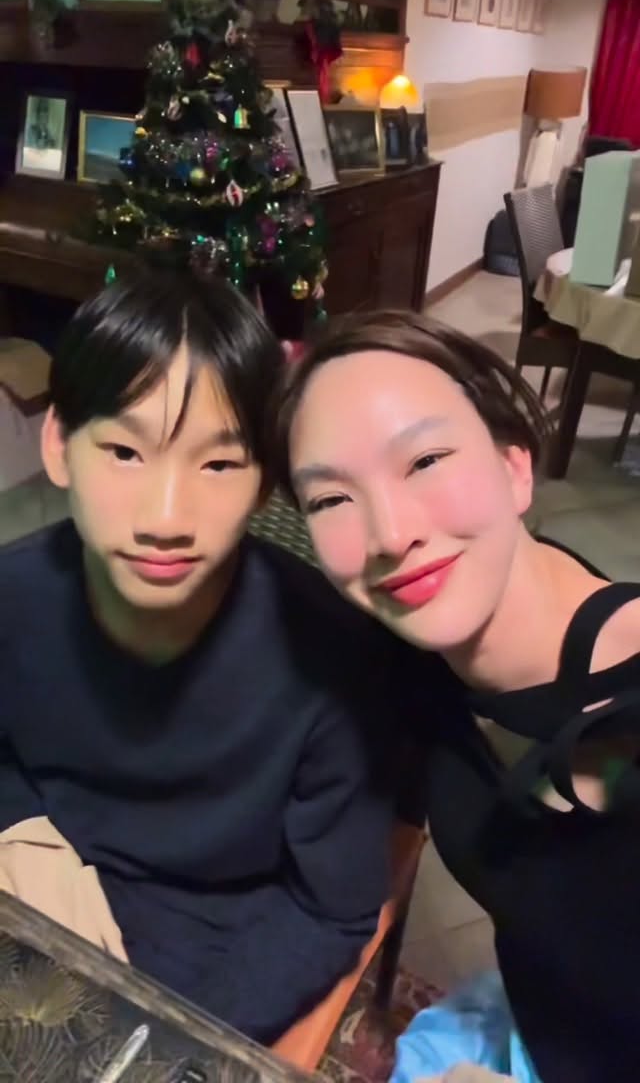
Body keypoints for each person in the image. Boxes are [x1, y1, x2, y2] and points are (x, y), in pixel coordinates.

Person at [0, 278, 426, 1045]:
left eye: (219, 465)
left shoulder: (336, 659)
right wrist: (27, 839)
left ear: (265, 480)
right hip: (44, 897)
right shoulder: (13, 599)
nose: (166, 518)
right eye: (124, 451)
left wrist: (164, 1031)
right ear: (59, 445)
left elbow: (332, 906)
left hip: (221, 951)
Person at [273, 310, 640, 1083]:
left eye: (426, 459)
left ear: (515, 468)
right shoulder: (419, 653)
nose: (389, 534)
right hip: (536, 1026)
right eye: (331, 499)